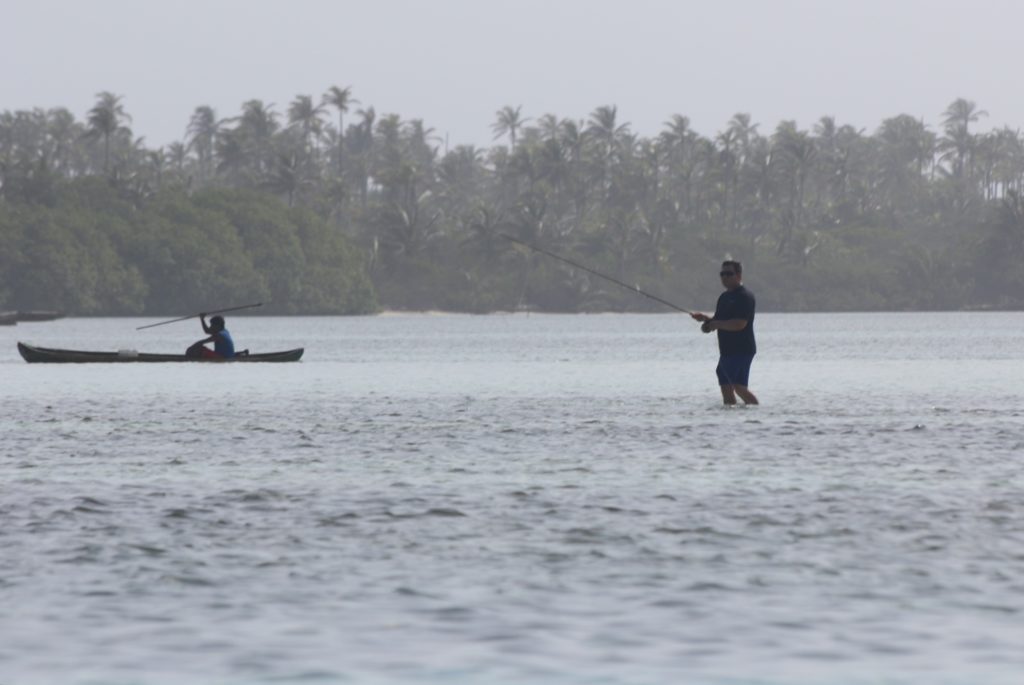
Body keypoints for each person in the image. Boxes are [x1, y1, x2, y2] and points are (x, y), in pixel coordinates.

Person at [691, 260, 759, 405]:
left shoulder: (744, 296)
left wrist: (716, 324)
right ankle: (733, 417)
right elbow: (718, 321)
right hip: (727, 351)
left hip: (742, 349)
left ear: (739, 275)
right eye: (722, 274)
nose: (725, 277)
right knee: (732, 386)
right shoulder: (724, 297)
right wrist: (706, 320)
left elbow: (740, 324)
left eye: (729, 274)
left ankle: (752, 414)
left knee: (735, 384)